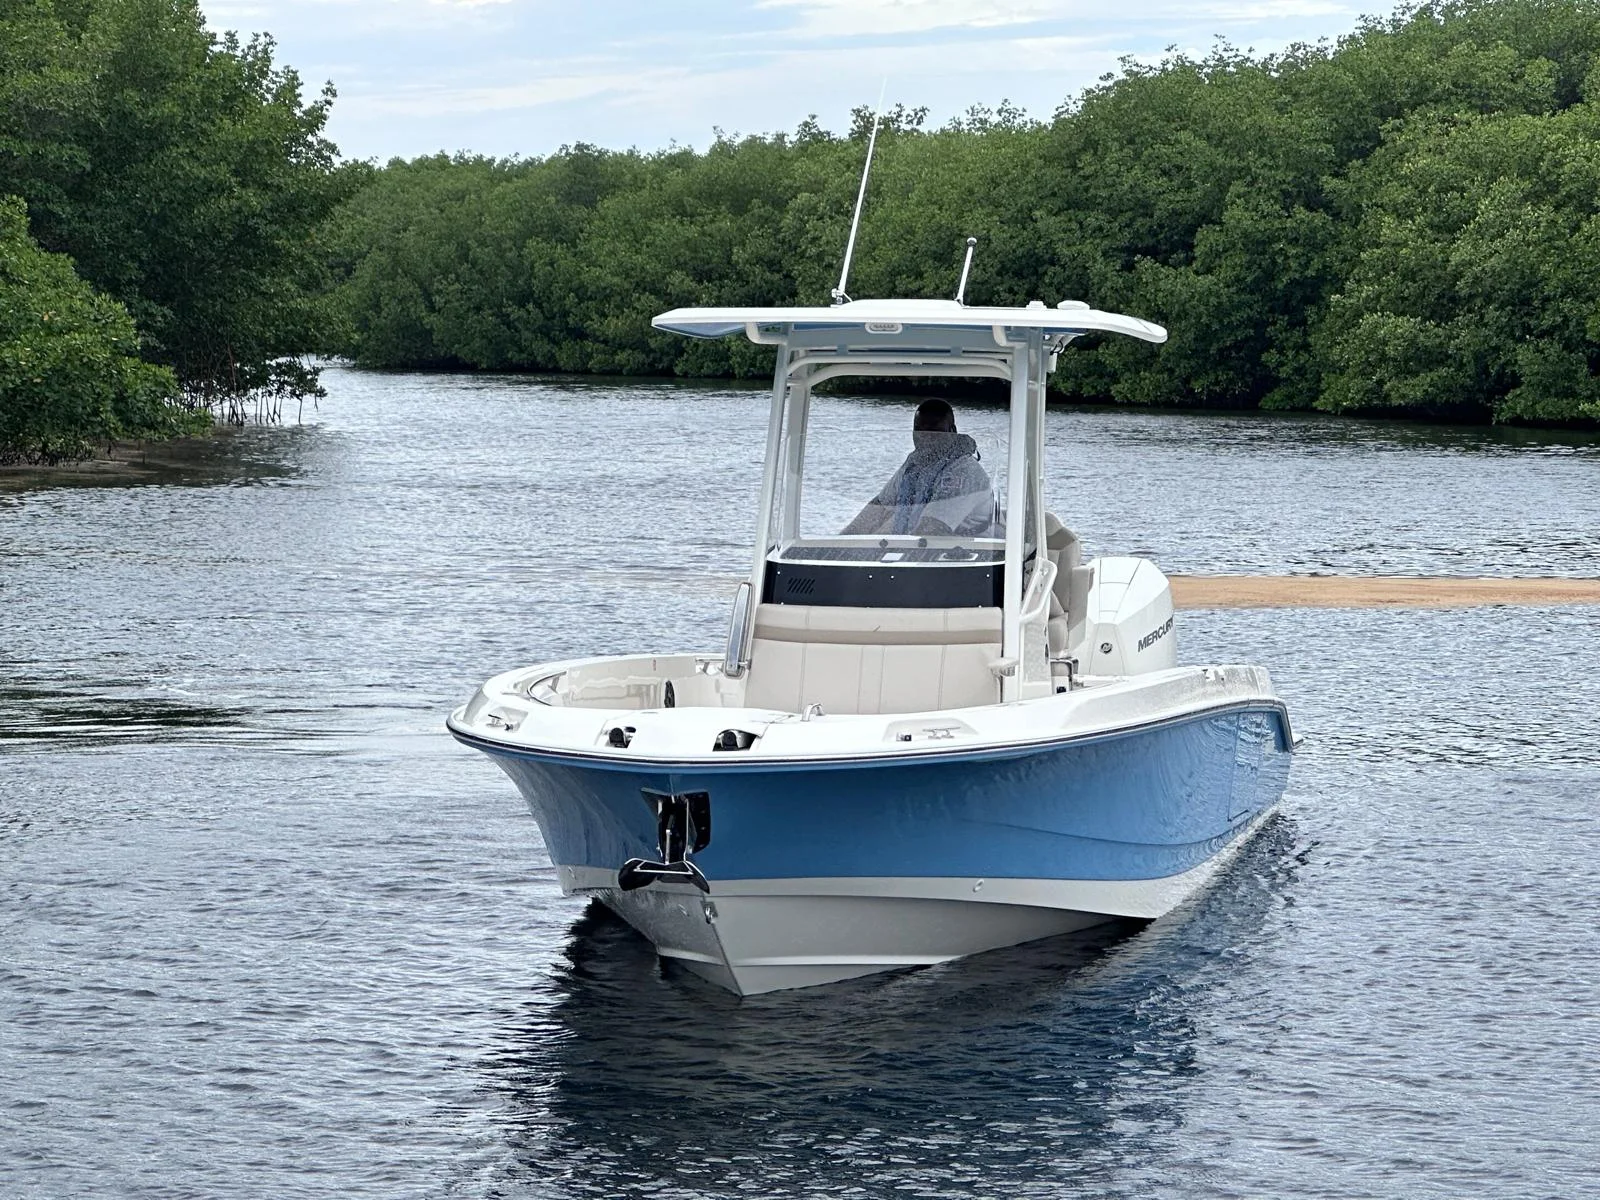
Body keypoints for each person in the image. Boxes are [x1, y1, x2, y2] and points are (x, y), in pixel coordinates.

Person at [842, 399, 995, 537]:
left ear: (952, 431)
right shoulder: (914, 464)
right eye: (919, 430)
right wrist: (838, 543)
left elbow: (932, 529)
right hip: (920, 554)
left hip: (962, 559)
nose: (925, 437)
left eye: (934, 431)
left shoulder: (963, 471)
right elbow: (879, 507)